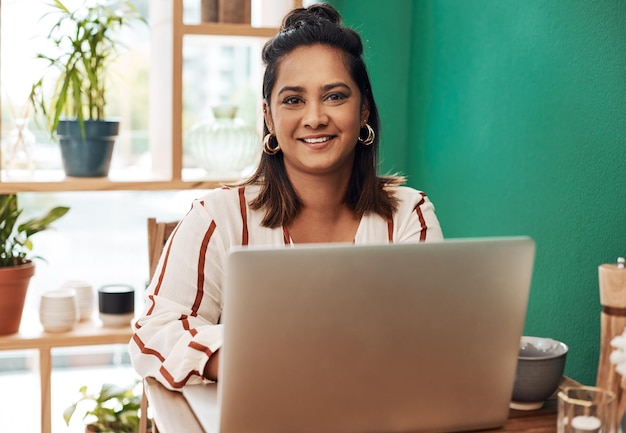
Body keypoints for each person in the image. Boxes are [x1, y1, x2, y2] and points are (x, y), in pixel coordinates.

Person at [129, 3, 443, 391]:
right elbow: (154, 331)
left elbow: (433, 334)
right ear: (269, 116)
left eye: (335, 96)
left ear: (363, 110)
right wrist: (244, 357)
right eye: (293, 100)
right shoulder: (218, 217)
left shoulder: (409, 214)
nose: (314, 117)